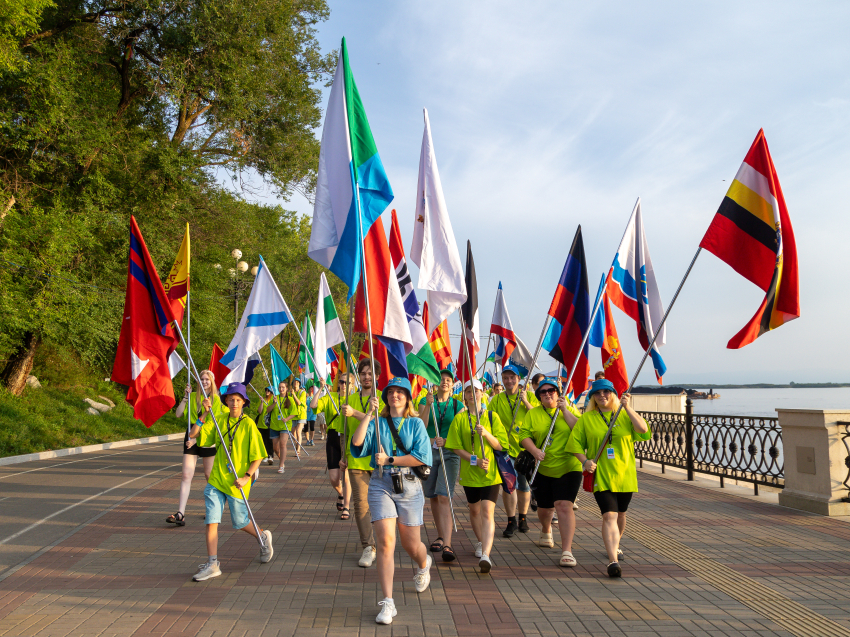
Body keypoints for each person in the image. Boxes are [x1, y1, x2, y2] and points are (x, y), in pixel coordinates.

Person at [351, 377, 433, 625]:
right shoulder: (377, 421)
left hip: (408, 484)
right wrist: (367, 415)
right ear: (385, 396)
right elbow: (357, 443)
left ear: (408, 397)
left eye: (400, 392)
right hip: (380, 484)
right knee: (386, 542)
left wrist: (390, 460)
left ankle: (423, 562)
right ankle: (388, 601)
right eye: (391, 392)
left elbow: (421, 458)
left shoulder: (416, 423)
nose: (395, 395)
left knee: (411, 545)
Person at [566, 378, 650, 578]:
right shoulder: (587, 419)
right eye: (597, 393)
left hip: (625, 474)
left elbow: (643, 430)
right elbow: (574, 444)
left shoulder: (623, 415)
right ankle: (613, 560)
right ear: (593, 397)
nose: (602, 396)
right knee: (609, 515)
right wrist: (585, 461)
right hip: (601, 474)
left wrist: (627, 407)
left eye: (606, 392)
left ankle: (616, 544)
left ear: (613, 393)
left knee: (621, 514)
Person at [188, 382, 273, 581]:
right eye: (231, 399)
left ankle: (262, 537)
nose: (234, 403)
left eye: (238, 400)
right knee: (211, 520)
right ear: (225, 401)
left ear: (244, 402)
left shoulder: (249, 424)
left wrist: (246, 477)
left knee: (240, 522)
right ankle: (212, 564)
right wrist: (204, 414)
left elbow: (259, 455)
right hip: (217, 479)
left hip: (237, 481)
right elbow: (193, 434)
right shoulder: (218, 419)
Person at [445, 379, 508, 573]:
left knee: (488, 511)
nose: (473, 395)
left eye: (476, 391)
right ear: (464, 395)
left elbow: (501, 445)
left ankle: (486, 554)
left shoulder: (492, 416)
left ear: (483, 393)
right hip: (470, 473)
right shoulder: (460, 418)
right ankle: (480, 541)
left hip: (490, 474)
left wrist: (487, 434)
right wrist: (475, 460)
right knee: (474, 511)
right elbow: (455, 447)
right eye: (469, 391)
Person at [519, 377, 581, 566]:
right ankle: (546, 529)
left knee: (564, 505)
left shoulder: (569, 409)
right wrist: (534, 451)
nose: (547, 394)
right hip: (542, 467)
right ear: (538, 396)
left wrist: (563, 410)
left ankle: (567, 550)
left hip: (569, 466)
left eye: (551, 391)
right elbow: (524, 435)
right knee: (545, 508)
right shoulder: (533, 414)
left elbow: (580, 430)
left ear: (557, 392)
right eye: (543, 392)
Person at [416, 368, 464, 562]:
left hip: (450, 454)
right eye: (442, 379)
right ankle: (440, 534)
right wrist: (427, 406)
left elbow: (460, 432)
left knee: (445, 496)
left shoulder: (457, 405)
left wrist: (447, 440)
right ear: (435, 383)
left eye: (448, 380)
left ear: (453, 385)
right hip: (428, 453)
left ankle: (448, 544)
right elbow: (421, 424)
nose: (445, 382)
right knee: (433, 496)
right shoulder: (424, 400)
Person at [339, 358, 382, 567]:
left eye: (370, 373)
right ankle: (368, 546)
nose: (367, 377)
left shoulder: (384, 398)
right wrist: (342, 456)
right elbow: (343, 431)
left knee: (382, 504)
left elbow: (381, 422)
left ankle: (385, 542)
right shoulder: (349, 399)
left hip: (380, 459)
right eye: (363, 373)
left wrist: (357, 413)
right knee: (361, 505)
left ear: (377, 376)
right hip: (356, 459)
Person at [486, 364, 538, 537]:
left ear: (519, 379)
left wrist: (525, 402)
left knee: (524, 487)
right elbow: (490, 421)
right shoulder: (497, 400)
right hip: (505, 451)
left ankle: (523, 518)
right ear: (502, 380)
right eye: (506, 378)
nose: (509, 381)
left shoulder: (530, 396)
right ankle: (511, 520)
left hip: (526, 450)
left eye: (512, 377)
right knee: (509, 487)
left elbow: (539, 417)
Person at [169, 370, 226, 527]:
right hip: (192, 434)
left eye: (207, 379)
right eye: (202, 379)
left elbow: (212, 423)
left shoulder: (216, 399)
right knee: (186, 474)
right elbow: (179, 414)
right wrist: (185, 397)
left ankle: (214, 509)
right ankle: (180, 513)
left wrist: (197, 439)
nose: (204, 381)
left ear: (212, 381)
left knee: (209, 475)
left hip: (207, 437)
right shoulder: (194, 396)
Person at [312, 375, 351, 520]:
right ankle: (341, 493)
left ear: (352, 384)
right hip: (333, 436)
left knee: (346, 475)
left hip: (347, 437)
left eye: (347, 382)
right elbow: (313, 406)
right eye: (341, 381)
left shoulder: (354, 399)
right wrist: (321, 388)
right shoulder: (330, 396)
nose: (344, 384)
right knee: (334, 478)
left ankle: (346, 507)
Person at [267, 380, 296, 473]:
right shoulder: (275, 398)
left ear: (287, 388)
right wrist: (274, 403)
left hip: (285, 425)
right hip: (274, 425)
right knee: (275, 447)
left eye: (283, 387)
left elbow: (295, 413)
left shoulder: (290, 399)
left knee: (283, 444)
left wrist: (287, 419)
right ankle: (281, 459)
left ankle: (281, 466)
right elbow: (268, 410)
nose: (281, 389)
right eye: (279, 387)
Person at [255, 387, 275, 465]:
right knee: (262, 441)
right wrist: (261, 402)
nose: (267, 391)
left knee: (269, 441)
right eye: (266, 390)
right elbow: (259, 411)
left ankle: (270, 455)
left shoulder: (273, 400)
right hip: (261, 424)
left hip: (269, 424)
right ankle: (265, 455)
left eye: (268, 390)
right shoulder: (263, 400)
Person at [290, 378, 308, 448]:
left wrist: (294, 395)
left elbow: (299, 402)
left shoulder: (302, 393)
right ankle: (297, 443)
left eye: (297, 382)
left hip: (301, 415)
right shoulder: (290, 393)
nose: (296, 383)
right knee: (293, 433)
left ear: (299, 384)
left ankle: (298, 450)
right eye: (294, 382)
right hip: (293, 414)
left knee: (298, 431)